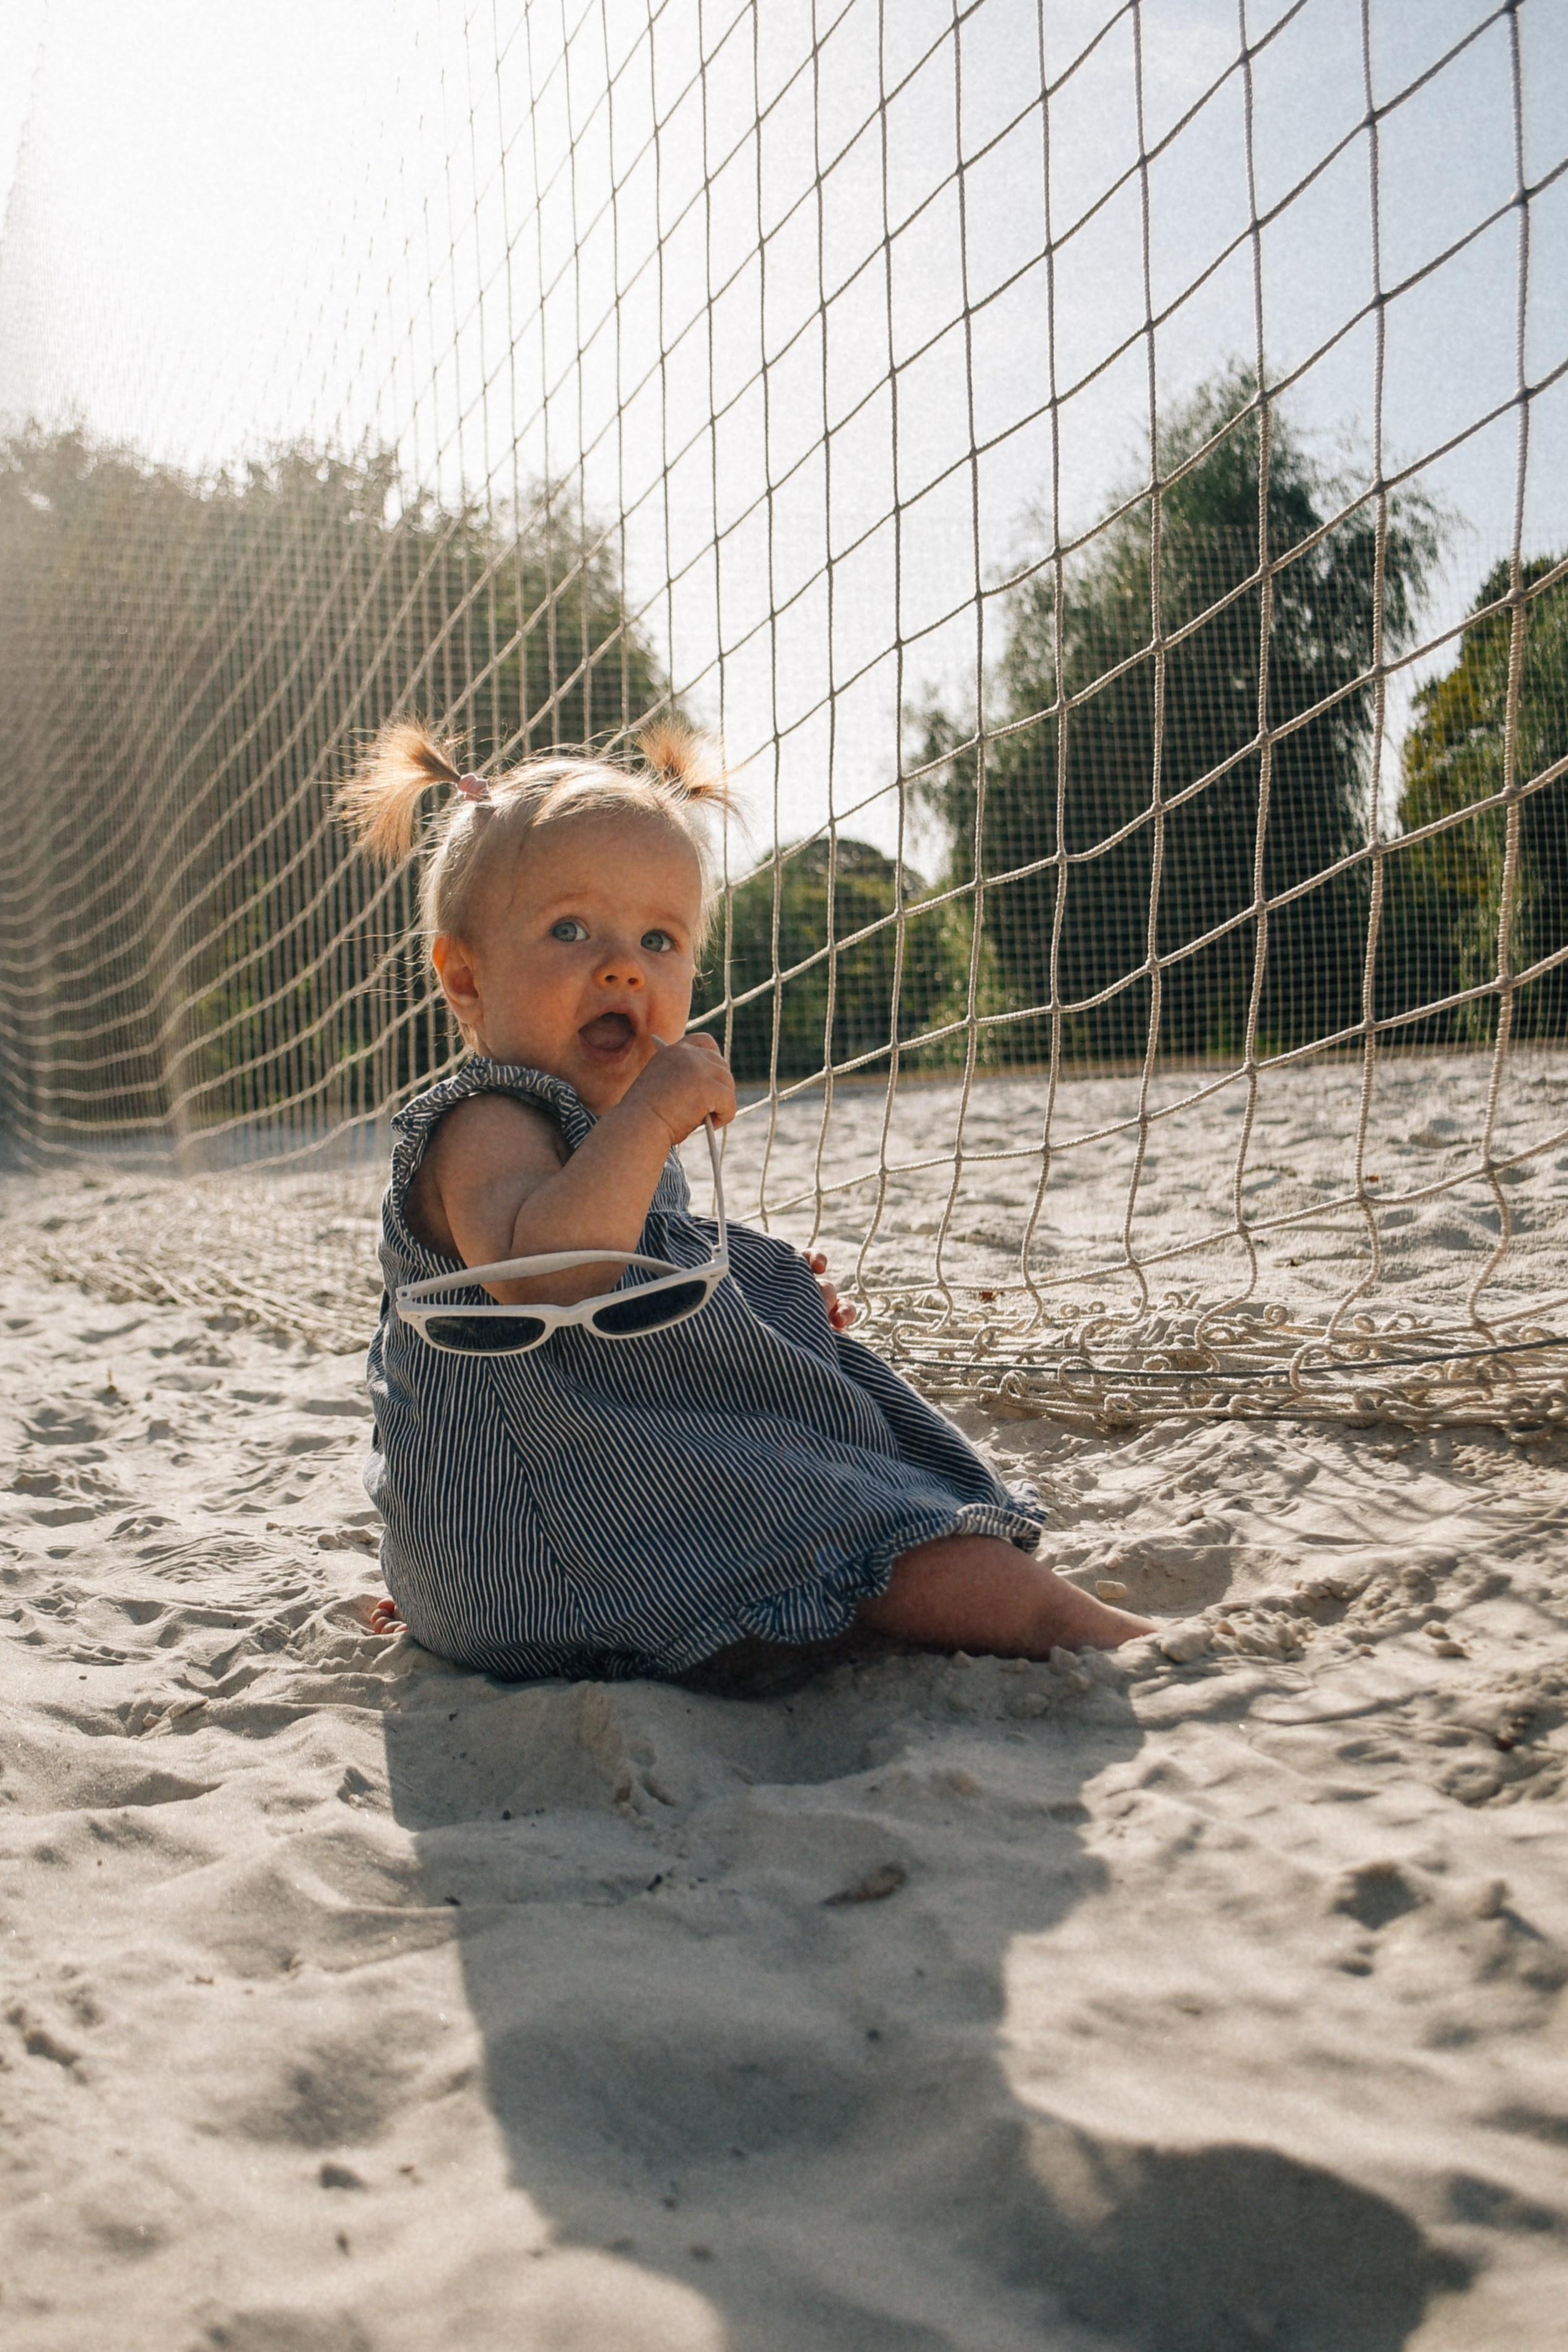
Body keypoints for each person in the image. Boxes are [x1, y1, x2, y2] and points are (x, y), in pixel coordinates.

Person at [338, 717, 1152, 1681]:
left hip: (556, 1521)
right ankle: (1085, 1630)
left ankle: (828, 1606)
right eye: (570, 930)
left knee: (816, 1461)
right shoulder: (488, 1121)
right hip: (540, 1544)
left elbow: (634, 1282)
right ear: (466, 976)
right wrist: (652, 1115)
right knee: (843, 1508)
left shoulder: (602, 1126)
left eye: (659, 939)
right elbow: (550, 1275)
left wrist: (762, 1298)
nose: (623, 965)